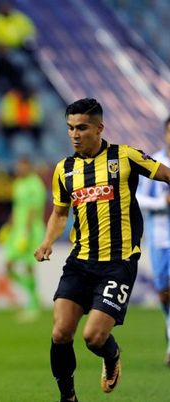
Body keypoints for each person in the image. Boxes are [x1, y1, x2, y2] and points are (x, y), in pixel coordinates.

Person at [34, 98, 170, 402]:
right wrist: (46, 243)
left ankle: (111, 355)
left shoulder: (125, 157)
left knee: (93, 338)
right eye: (70, 128)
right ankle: (67, 397)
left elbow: (166, 175)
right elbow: (58, 213)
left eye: (81, 127)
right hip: (80, 262)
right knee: (60, 333)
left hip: (118, 263)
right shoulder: (64, 170)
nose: (74, 134)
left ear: (99, 128)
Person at [136, 115, 170, 366]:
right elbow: (137, 198)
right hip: (160, 238)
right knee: (165, 293)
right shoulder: (155, 163)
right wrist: (161, 203)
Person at [2, 155, 46, 321]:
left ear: (29, 167)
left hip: (31, 231)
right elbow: (17, 207)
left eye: (21, 166)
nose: (18, 169)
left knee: (28, 266)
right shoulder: (18, 183)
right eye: (17, 166)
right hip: (18, 231)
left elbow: (34, 209)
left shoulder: (35, 184)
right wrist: (8, 225)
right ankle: (34, 297)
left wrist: (26, 232)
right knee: (8, 266)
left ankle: (33, 305)